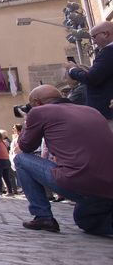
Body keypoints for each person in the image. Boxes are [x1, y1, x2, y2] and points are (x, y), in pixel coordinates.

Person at [13, 85, 113, 234]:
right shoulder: (92, 111)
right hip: (108, 187)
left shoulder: (39, 112)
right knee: (83, 220)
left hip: (77, 181)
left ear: (37, 102)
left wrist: (28, 119)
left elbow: (26, 146)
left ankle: (42, 216)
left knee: (21, 159)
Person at [66, 20, 113, 130]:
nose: (94, 42)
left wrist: (72, 70)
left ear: (105, 34)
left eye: (94, 37)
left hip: (107, 113)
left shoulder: (108, 52)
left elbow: (92, 78)